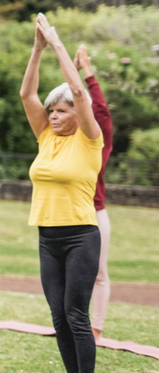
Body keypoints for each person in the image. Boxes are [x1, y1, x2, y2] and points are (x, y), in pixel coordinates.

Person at [20, 13, 103, 373]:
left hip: (80, 236)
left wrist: (56, 44)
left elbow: (78, 91)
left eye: (62, 110)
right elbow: (26, 95)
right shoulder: (46, 137)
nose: (53, 115)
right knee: (58, 316)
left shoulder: (90, 141)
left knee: (76, 313)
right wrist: (35, 50)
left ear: (76, 112)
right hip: (47, 237)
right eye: (51, 110)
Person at [74, 45, 114, 342]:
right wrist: (73, 71)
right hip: (69, 213)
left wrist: (87, 71)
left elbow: (99, 108)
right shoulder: (67, 139)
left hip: (95, 213)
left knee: (99, 272)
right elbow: (63, 98)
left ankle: (96, 329)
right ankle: (73, 324)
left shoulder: (98, 140)